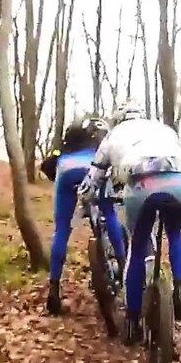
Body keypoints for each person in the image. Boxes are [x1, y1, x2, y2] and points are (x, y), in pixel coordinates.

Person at [78, 100, 181, 345]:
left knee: (137, 247)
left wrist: (86, 198)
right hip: (179, 183)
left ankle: (133, 321)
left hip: (141, 185)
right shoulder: (165, 130)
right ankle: (180, 286)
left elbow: (93, 179)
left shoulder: (113, 136)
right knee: (176, 233)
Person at [39, 116, 125, 316]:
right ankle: (124, 265)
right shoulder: (101, 143)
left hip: (66, 169)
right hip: (91, 167)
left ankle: (53, 289)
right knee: (109, 213)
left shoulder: (64, 146)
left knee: (62, 230)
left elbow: (47, 166)